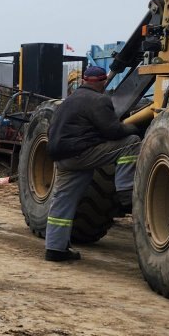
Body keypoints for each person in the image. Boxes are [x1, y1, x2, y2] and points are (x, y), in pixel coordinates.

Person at [44, 65, 141, 262]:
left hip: (61, 158)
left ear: (84, 81)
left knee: (62, 203)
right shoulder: (99, 100)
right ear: (103, 82)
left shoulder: (68, 101)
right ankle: (125, 191)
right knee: (131, 144)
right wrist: (134, 128)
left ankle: (55, 249)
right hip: (82, 154)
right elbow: (113, 131)